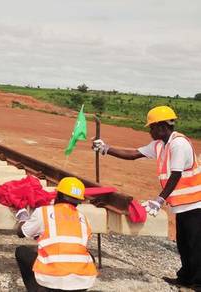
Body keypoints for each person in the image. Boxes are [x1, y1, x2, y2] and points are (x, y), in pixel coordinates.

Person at [92, 105, 200, 289]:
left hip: (195, 204)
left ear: (161, 126)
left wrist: (159, 200)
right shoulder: (160, 144)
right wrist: (106, 149)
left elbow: (176, 174)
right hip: (182, 205)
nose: (149, 131)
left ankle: (198, 282)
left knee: (196, 245)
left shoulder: (178, 144)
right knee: (184, 244)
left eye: (151, 127)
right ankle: (186, 278)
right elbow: (134, 154)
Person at [15, 177, 97, 291]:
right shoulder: (83, 218)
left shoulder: (44, 212)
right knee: (88, 256)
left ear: (58, 195)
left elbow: (21, 233)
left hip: (53, 279)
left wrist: (22, 216)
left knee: (21, 251)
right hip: (83, 282)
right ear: (78, 202)